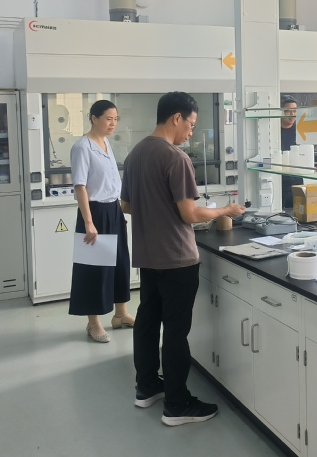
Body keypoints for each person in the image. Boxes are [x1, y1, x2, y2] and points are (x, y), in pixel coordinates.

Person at [121, 91, 245, 426]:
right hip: (177, 259)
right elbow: (189, 213)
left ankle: (147, 387)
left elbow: (127, 205)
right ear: (176, 118)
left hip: (148, 256)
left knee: (148, 322)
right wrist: (225, 210)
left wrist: (156, 211)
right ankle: (177, 405)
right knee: (176, 333)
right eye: (190, 124)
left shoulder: (135, 154)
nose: (191, 132)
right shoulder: (176, 158)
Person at [69, 99, 135, 343]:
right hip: (94, 212)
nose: (113, 123)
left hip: (112, 210)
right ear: (93, 118)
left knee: (119, 262)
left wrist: (118, 212)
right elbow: (80, 186)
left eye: (115, 119)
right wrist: (89, 222)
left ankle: (120, 314)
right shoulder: (82, 147)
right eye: (108, 119)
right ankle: (93, 323)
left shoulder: (106, 143)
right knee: (94, 268)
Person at [279, 94, 304, 209]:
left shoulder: (300, 130)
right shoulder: (273, 131)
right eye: (288, 111)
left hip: (297, 181)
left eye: (294, 111)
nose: (292, 114)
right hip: (279, 181)